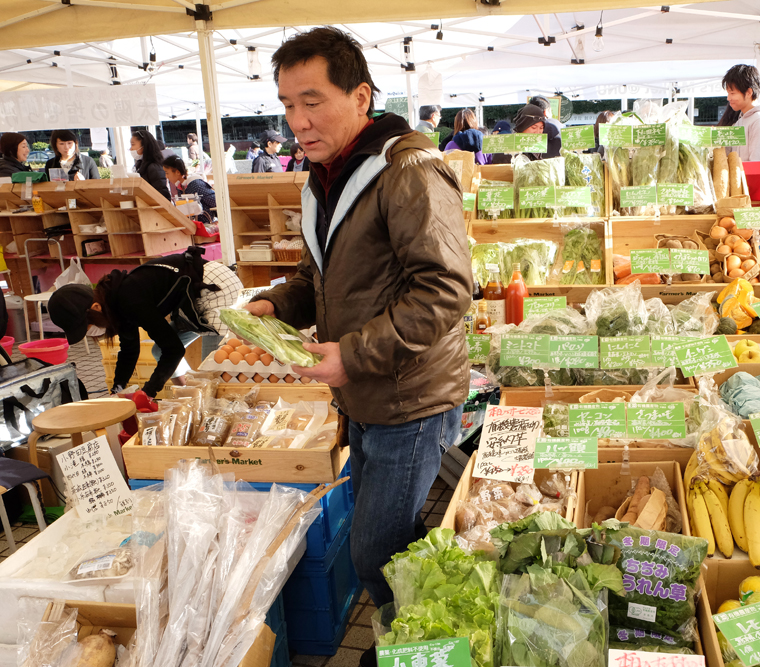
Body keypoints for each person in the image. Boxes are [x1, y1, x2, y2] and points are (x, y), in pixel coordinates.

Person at [248, 28, 470, 636]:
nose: (297, 119)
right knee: (385, 549)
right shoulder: (326, 176)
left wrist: (353, 353)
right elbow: (316, 275)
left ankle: (422, 643)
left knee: (377, 553)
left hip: (410, 398)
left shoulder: (408, 171)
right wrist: (277, 305)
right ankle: (408, 639)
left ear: (361, 96)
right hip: (365, 395)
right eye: (288, 104)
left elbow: (445, 289)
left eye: (312, 100)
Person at [47, 246, 242, 395]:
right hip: (192, 299)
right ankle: (189, 393)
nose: (91, 332)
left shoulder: (129, 299)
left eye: (87, 326)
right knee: (158, 350)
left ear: (95, 308)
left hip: (216, 288)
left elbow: (174, 349)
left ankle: (220, 401)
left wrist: (148, 392)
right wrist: (117, 390)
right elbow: (129, 350)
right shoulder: (113, 302)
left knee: (214, 361)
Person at [722, 64, 760, 162]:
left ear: (748, 93)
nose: (728, 98)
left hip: (752, 177)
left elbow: (759, 162)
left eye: (732, 93)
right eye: (728, 93)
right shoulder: (741, 120)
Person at [163, 155, 217, 227]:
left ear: (177, 172)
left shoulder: (195, 184)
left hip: (206, 226)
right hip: (194, 226)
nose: (166, 176)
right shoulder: (180, 186)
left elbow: (216, 202)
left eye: (167, 173)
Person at [130, 130, 171, 200]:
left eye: (133, 144)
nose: (131, 148)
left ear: (144, 145)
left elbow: (162, 193)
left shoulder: (154, 167)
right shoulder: (140, 164)